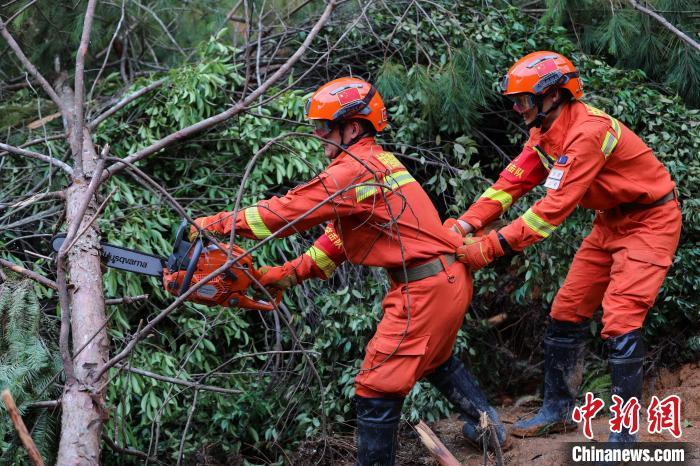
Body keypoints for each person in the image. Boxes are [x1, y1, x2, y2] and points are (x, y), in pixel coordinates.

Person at [191, 77, 507, 465]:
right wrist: (283, 276)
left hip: (425, 288)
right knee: (436, 360)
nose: (318, 135)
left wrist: (218, 223)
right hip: (444, 279)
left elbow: (288, 213)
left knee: (376, 385)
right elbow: (334, 245)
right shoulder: (376, 162)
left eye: (325, 127)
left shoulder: (352, 171)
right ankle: (488, 424)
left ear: (353, 127)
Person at [451, 51, 681, 443]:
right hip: (610, 220)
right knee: (567, 309)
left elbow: (549, 213)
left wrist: (488, 248)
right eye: (515, 100)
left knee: (621, 318)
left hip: (650, 221)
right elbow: (510, 183)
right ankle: (558, 410)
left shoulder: (586, 133)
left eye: (523, 100)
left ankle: (625, 435)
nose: (517, 108)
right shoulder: (544, 133)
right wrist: (465, 223)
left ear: (554, 95)